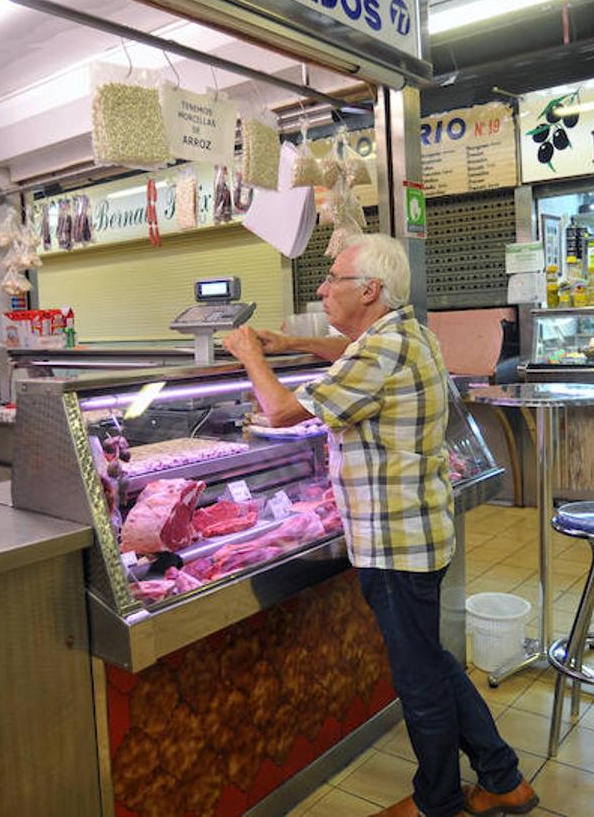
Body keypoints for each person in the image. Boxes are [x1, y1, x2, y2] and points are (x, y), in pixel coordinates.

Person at [223, 234, 538, 817]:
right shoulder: (400, 333)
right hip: (416, 532)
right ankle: (503, 778)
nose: (321, 288)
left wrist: (250, 353)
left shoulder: (380, 351)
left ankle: (436, 803)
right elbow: (346, 355)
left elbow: (283, 411)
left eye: (332, 278)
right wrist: (292, 340)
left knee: (420, 683)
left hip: (395, 545)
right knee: (434, 662)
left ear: (368, 290)